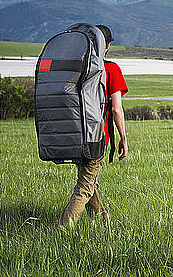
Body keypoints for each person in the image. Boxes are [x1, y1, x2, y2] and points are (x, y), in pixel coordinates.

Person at [59, 24, 128, 225]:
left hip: (74, 135)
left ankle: (101, 218)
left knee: (88, 178)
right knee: (85, 185)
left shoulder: (75, 68)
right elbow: (116, 109)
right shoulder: (111, 69)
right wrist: (123, 138)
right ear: (105, 47)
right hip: (96, 137)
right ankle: (63, 228)